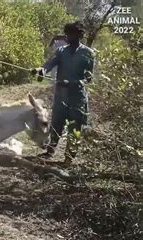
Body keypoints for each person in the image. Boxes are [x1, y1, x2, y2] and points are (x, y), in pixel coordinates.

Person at [31, 21, 94, 163]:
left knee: (74, 126)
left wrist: (76, 82)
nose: (69, 37)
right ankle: (50, 151)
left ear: (80, 34)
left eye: (72, 34)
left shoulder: (88, 53)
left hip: (77, 96)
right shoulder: (61, 51)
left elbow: (89, 78)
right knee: (56, 123)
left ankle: (69, 157)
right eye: (67, 34)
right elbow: (49, 64)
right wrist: (41, 70)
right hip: (61, 94)